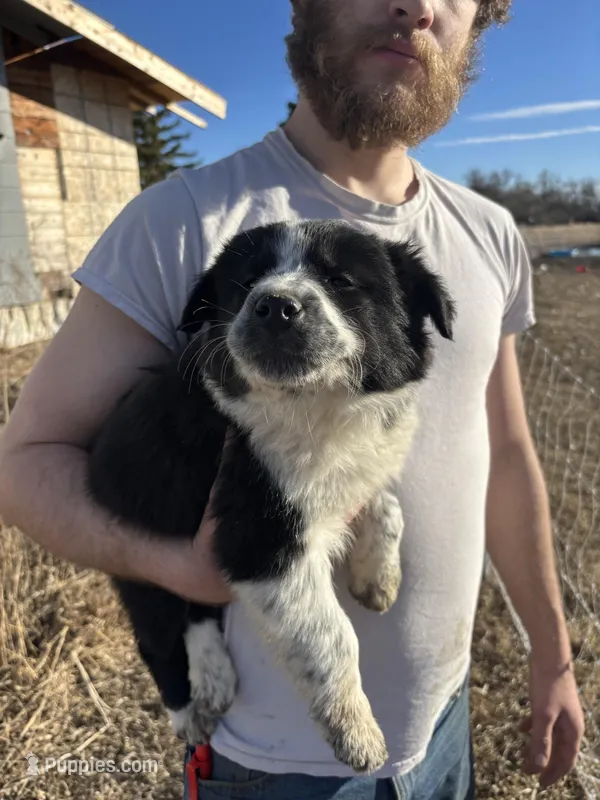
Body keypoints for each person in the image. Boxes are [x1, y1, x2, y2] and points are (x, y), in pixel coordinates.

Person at [0, 1, 585, 798]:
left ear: (478, 21)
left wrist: (552, 657)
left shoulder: (488, 233)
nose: (413, 4)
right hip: (269, 769)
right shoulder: (177, 224)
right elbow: (25, 464)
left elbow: (508, 456)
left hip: (443, 733)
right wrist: (179, 566)